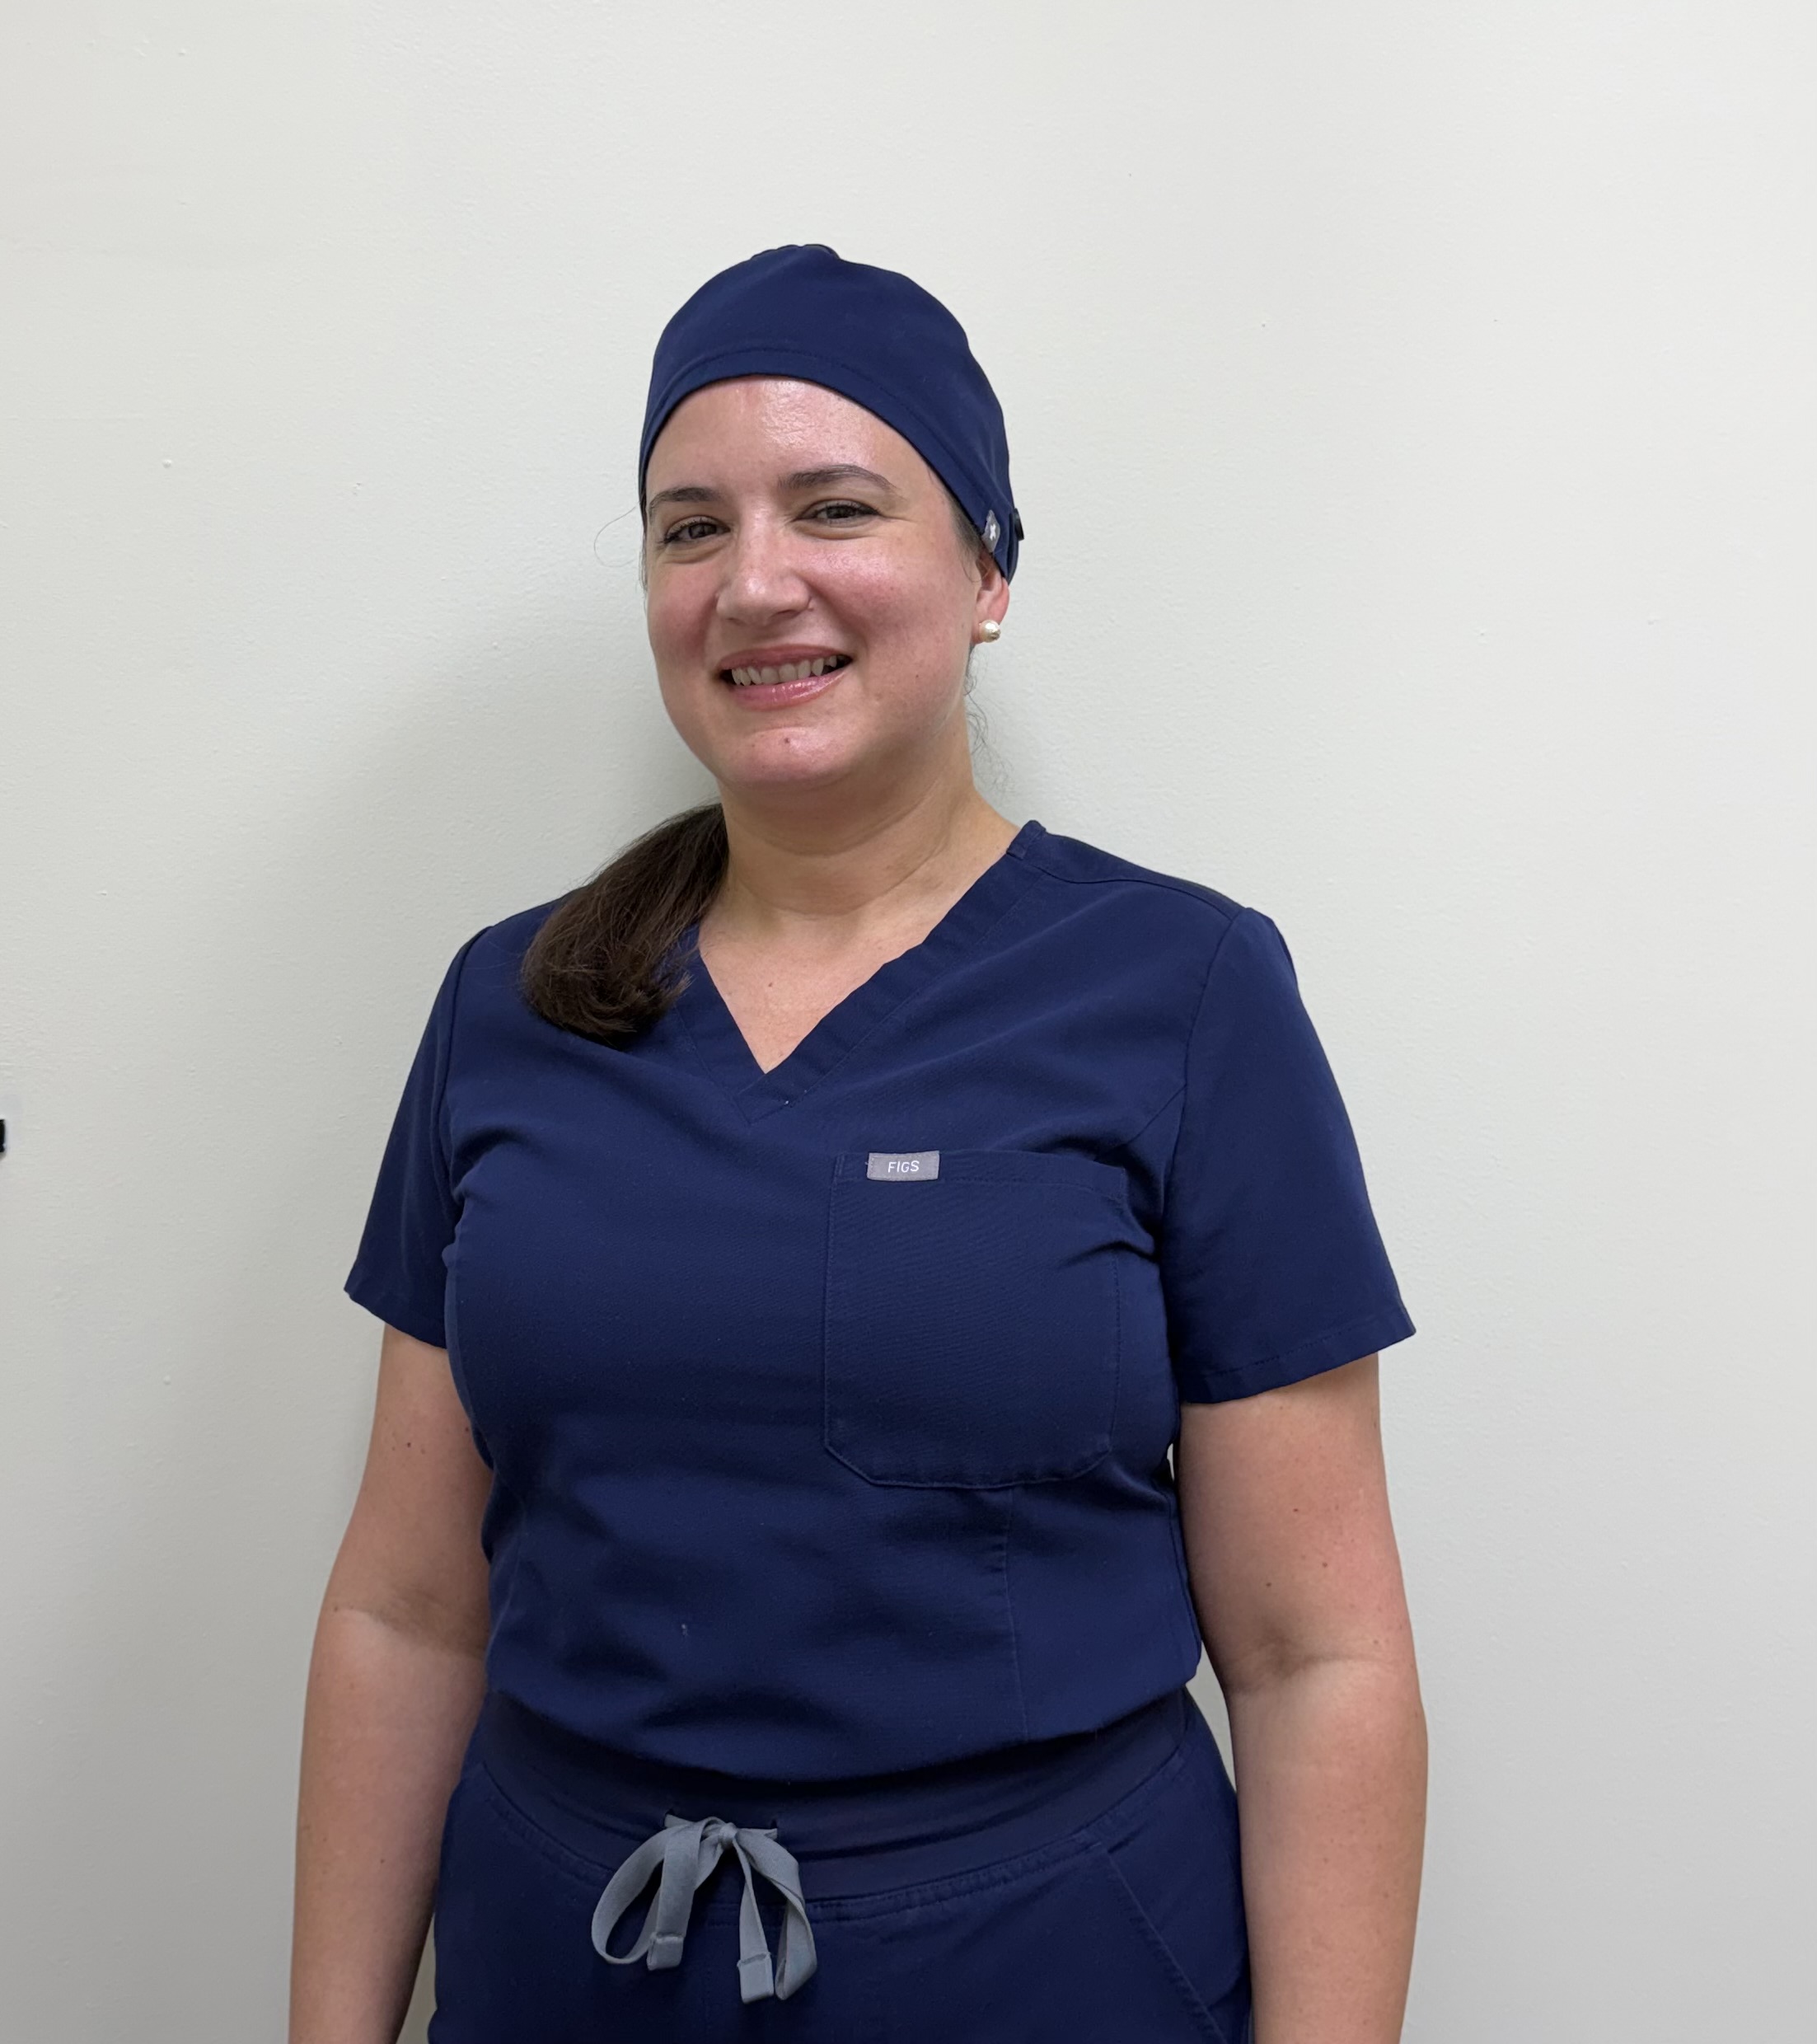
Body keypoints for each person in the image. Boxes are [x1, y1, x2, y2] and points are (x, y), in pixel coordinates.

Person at [290, 243, 1426, 2044]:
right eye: (687, 528)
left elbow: (1316, 1659)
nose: (755, 582)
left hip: (1043, 1967)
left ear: (985, 570)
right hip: (564, 1958)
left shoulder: (1180, 993)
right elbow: (410, 1609)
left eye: (834, 506)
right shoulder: (507, 1005)